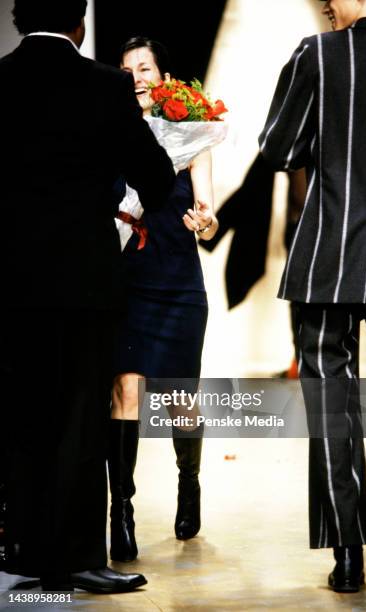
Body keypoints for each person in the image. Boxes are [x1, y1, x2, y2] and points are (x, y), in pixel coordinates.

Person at [0, 0, 175, 593]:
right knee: (81, 417)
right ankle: (77, 558)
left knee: (23, 412)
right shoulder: (105, 85)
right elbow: (154, 173)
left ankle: (23, 549)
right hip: (83, 277)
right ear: (78, 23)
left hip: (12, 279)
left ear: (21, 19)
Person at [259, 0, 366, 594]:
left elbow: (280, 151)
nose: (326, 5)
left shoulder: (319, 53)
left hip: (329, 257)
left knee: (332, 403)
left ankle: (348, 555)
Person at [108, 36, 219, 562]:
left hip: (178, 280)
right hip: (127, 280)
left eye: (145, 66)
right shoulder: (110, 130)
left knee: (180, 398)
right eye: (127, 68)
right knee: (124, 393)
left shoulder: (190, 132)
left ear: (163, 74)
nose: (136, 76)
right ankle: (121, 513)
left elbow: (206, 204)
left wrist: (208, 219)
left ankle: (189, 483)